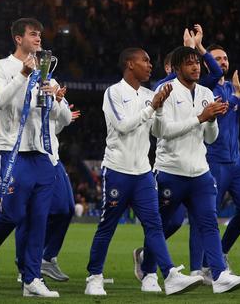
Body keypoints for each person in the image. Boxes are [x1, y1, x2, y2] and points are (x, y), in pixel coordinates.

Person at [84, 48, 203, 296]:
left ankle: (163, 275)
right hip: (117, 170)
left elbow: (157, 131)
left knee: (155, 225)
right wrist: (152, 108)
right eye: (145, 61)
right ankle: (94, 277)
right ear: (130, 64)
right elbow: (122, 126)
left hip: (143, 173)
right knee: (108, 226)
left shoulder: (151, 94)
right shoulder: (114, 92)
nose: (150, 65)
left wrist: (158, 109)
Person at [138, 46, 240, 294]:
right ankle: (148, 271)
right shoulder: (165, 90)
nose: (196, 67)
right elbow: (162, 132)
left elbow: (210, 138)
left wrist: (211, 120)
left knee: (209, 223)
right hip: (170, 171)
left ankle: (219, 276)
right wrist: (200, 118)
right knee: (161, 225)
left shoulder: (206, 93)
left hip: (200, 172)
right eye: (190, 63)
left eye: (198, 63)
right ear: (177, 68)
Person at [0, 18, 70, 297]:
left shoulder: (47, 72)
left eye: (40, 34)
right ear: (18, 38)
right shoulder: (1, 67)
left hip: (42, 153)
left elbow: (63, 119)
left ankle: (32, 279)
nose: (39, 38)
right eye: (33, 34)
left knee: (39, 218)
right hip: (13, 150)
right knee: (13, 214)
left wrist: (56, 99)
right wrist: (23, 75)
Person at [177, 45, 240, 280]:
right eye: (218, 58)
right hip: (213, 162)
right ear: (208, 63)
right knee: (206, 215)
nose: (223, 62)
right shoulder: (204, 88)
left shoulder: (231, 88)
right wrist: (199, 47)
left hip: (237, 163)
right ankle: (201, 268)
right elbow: (220, 113)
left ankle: (221, 253)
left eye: (225, 58)